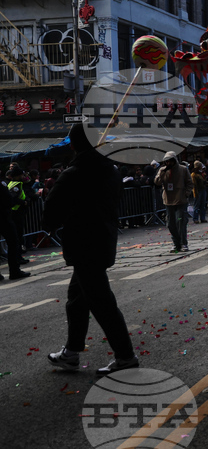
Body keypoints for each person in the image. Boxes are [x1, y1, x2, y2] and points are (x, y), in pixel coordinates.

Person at [46, 124, 137, 377]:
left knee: (102, 302)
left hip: (83, 245)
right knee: (77, 299)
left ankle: (125, 356)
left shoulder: (74, 173)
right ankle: (72, 352)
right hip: (103, 241)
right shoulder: (112, 171)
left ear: (74, 145)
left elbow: (51, 214)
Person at [154, 151, 194, 253]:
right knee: (171, 223)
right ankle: (176, 243)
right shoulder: (162, 170)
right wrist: (162, 172)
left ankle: (183, 243)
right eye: (166, 162)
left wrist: (186, 193)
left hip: (180, 200)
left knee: (180, 221)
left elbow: (189, 182)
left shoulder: (183, 169)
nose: (168, 164)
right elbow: (157, 182)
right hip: (168, 200)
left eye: (170, 161)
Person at [0, 168, 29, 281]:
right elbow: (8, 199)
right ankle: (15, 270)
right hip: (4, 216)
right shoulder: (3, 184)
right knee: (13, 242)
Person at [6, 167, 31, 265]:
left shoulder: (13, 183)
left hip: (15, 213)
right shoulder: (16, 185)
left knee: (17, 237)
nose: (23, 176)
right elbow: (13, 198)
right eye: (21, 174)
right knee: (17, 237)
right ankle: (18, 257)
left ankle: (19, 257)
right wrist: (24, 202)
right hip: (16, 213)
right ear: (18, 175)